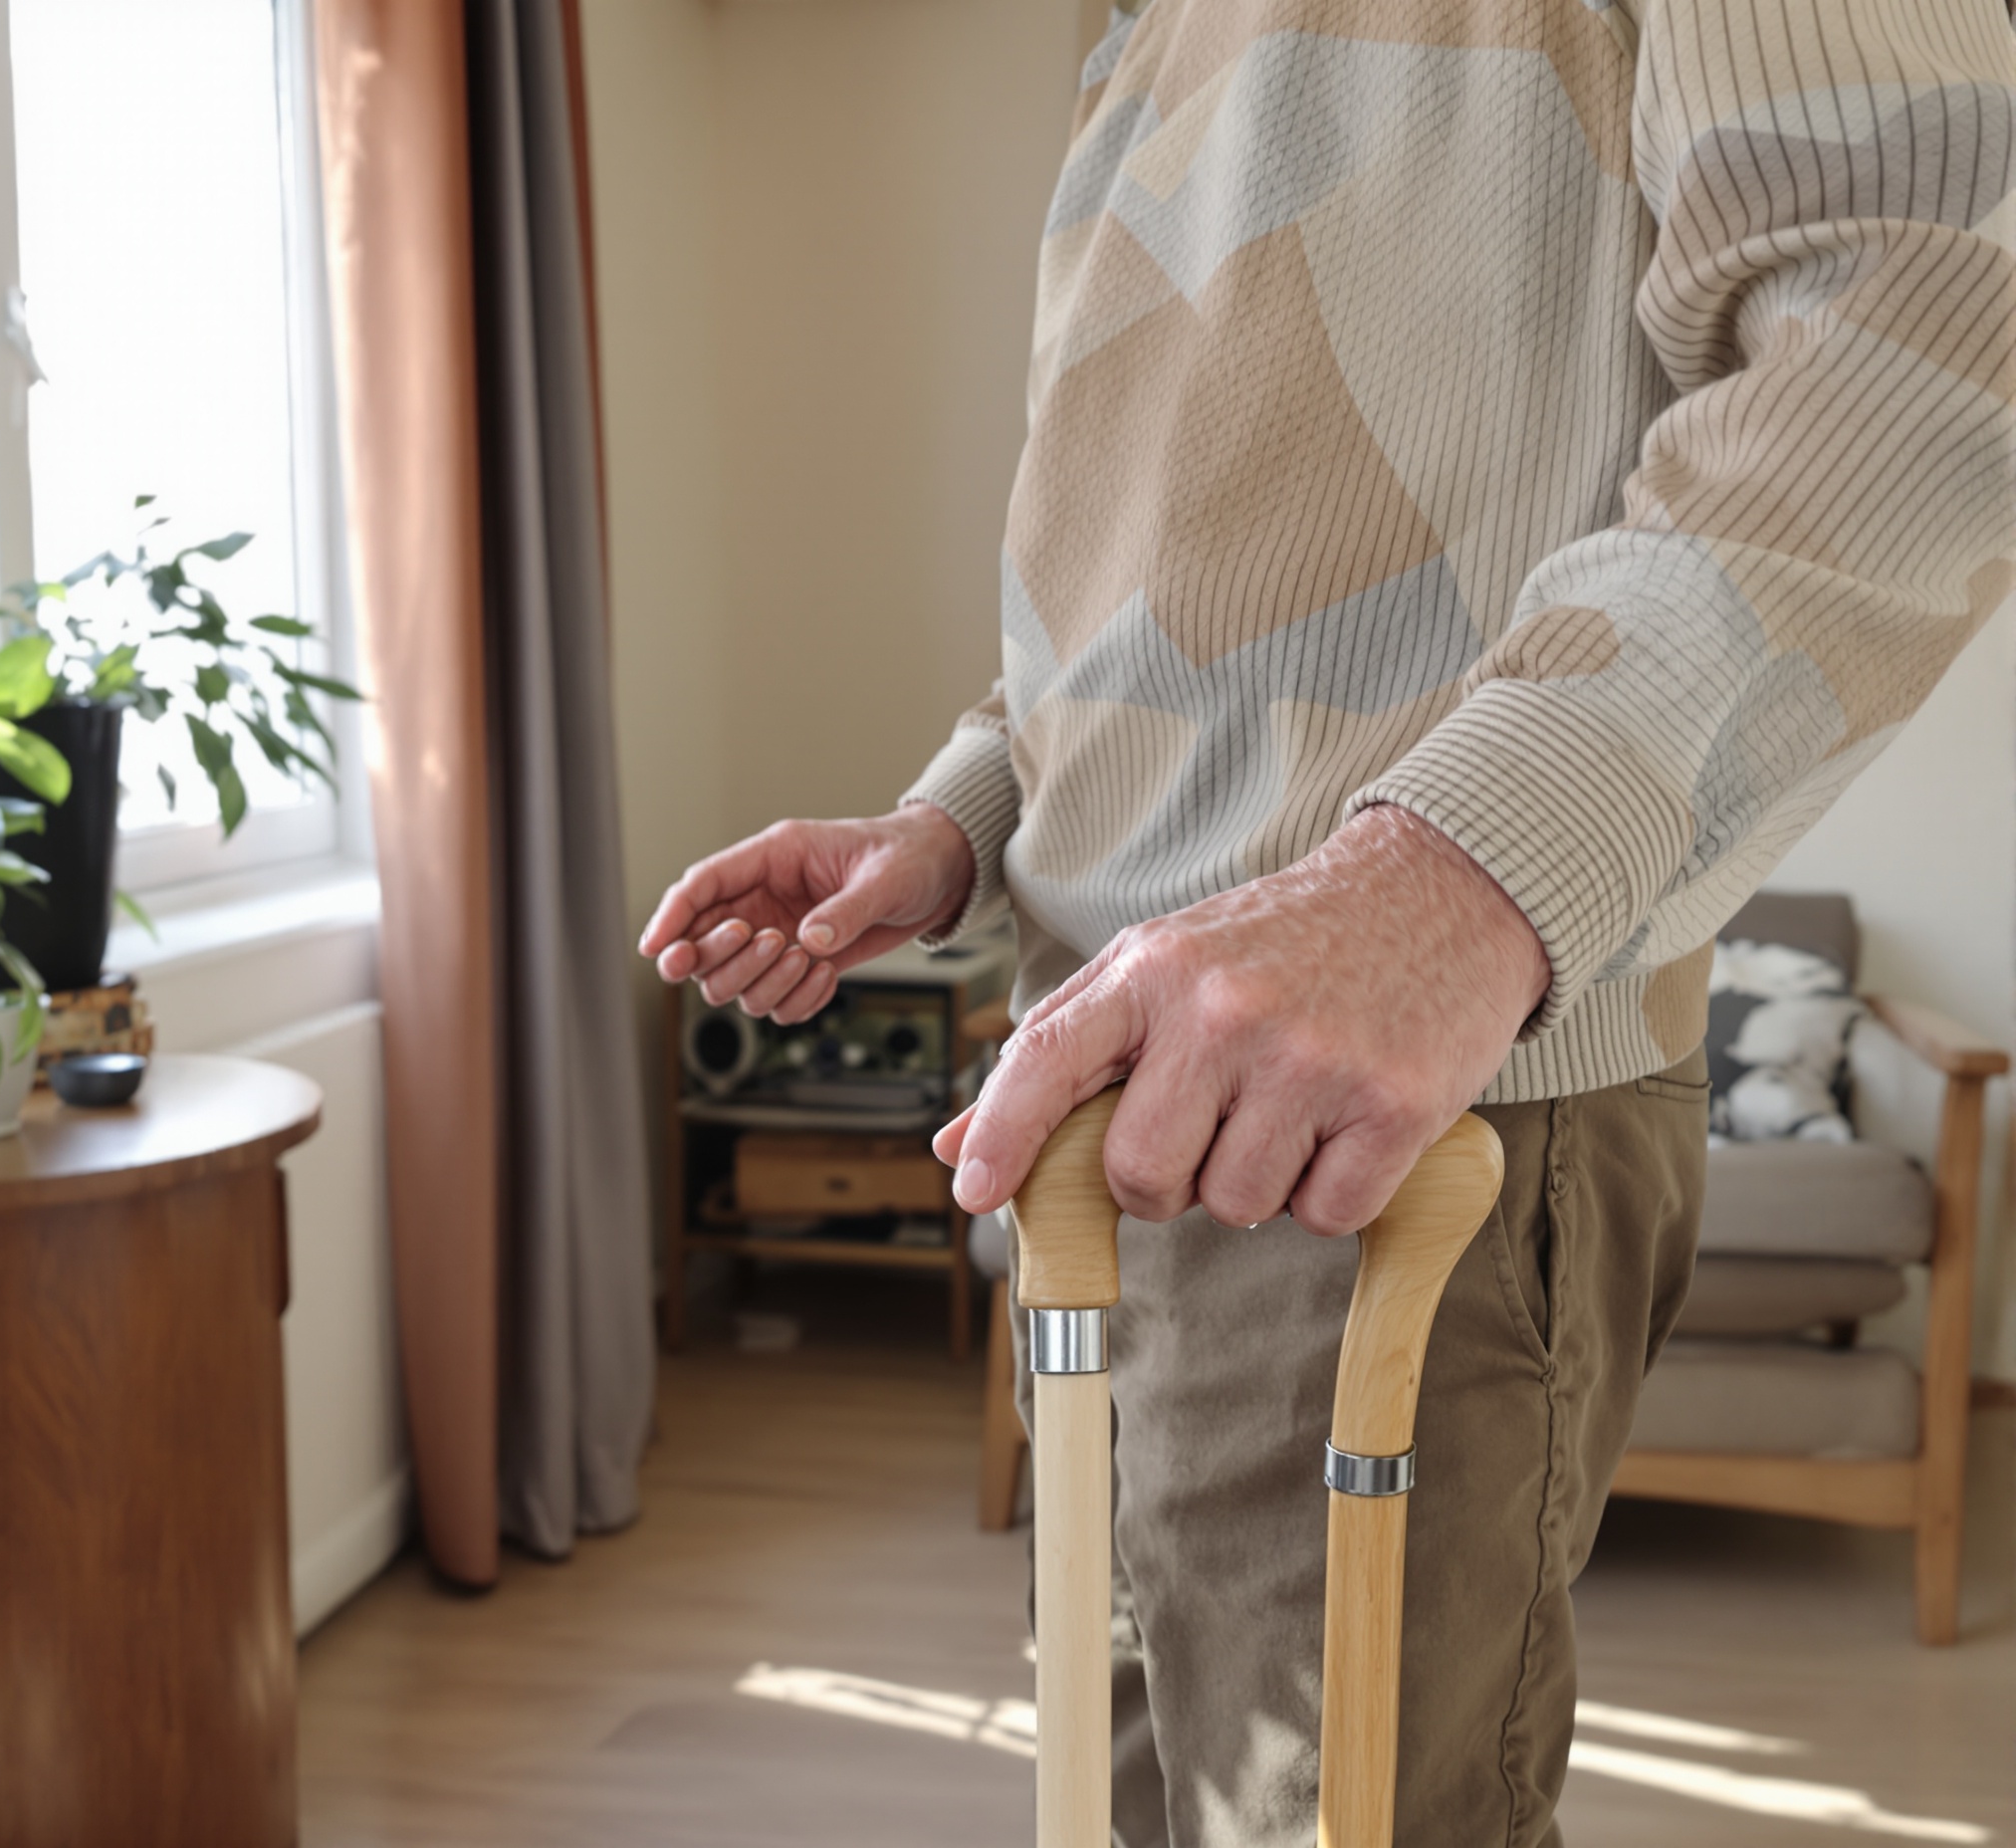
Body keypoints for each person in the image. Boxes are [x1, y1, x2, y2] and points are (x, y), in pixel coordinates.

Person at [641, 0, 2016, 1840]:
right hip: (1129, 1092)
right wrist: (959, 817)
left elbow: (1933, 325)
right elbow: (1166, 544)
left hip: (1371, 1110)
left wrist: (1450, 878)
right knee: (1153, 1794)